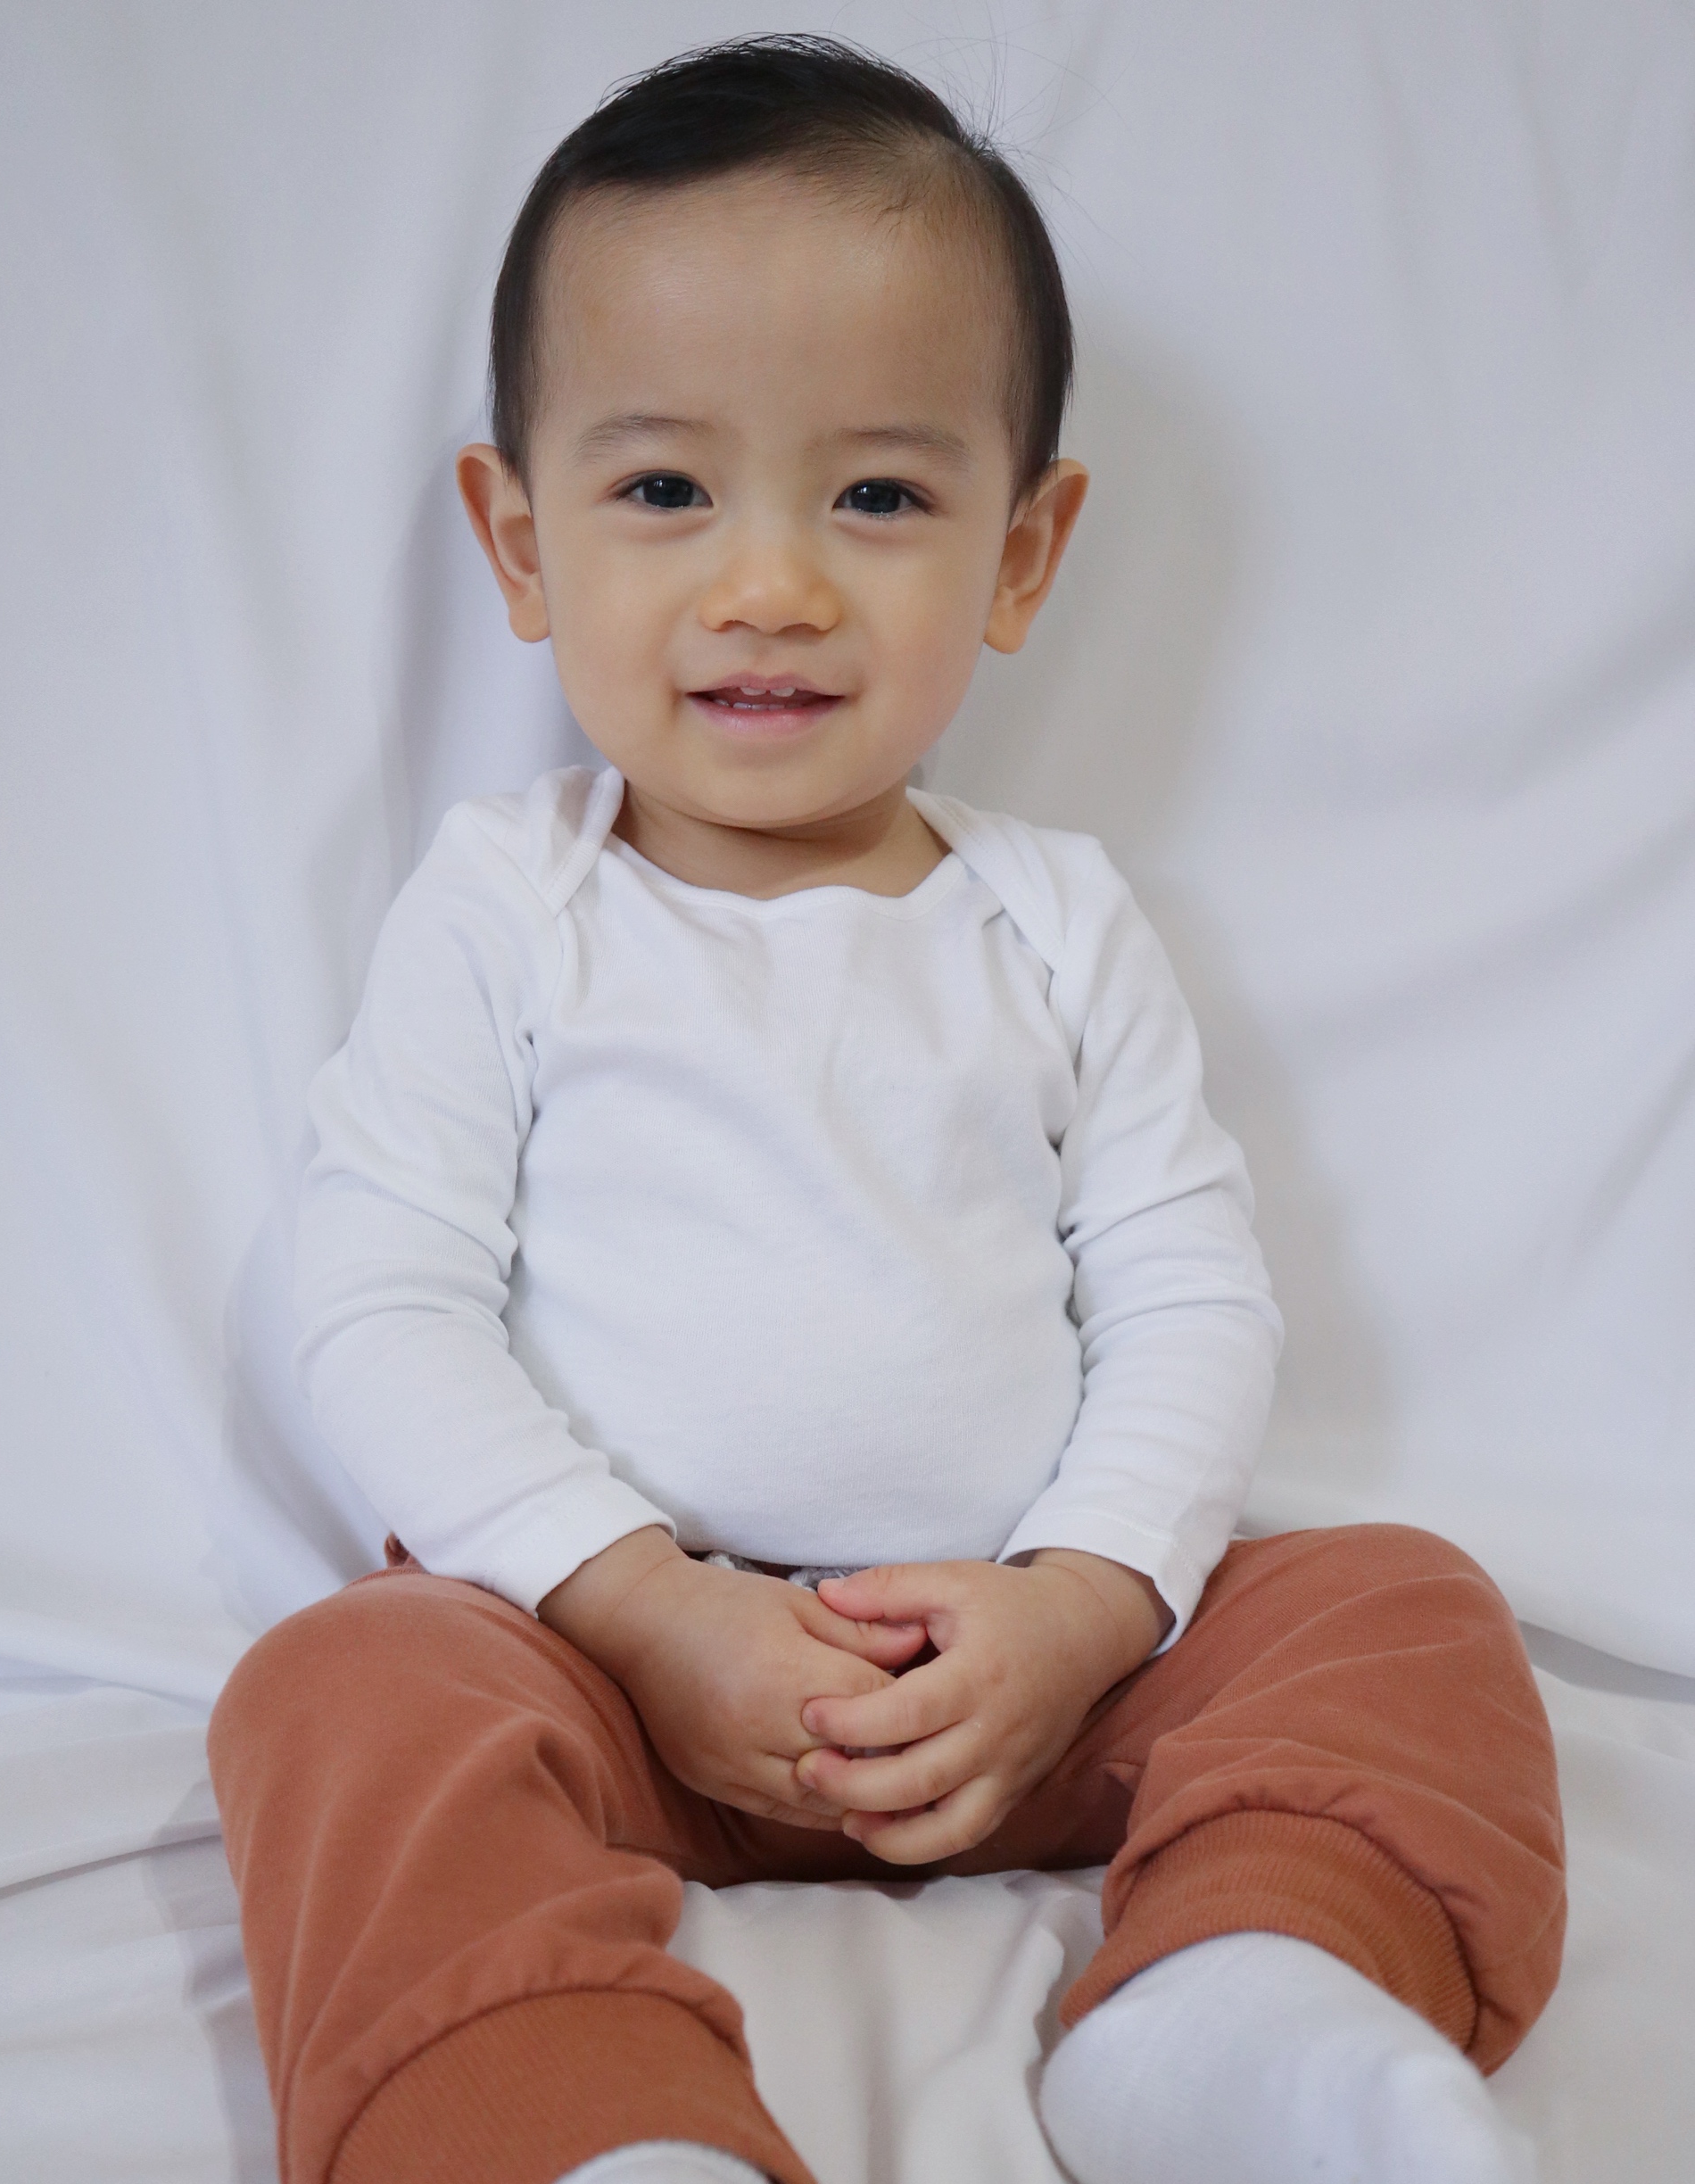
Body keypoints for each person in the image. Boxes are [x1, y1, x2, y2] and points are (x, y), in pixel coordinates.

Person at [208, 35, 1565, 2184]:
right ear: (518, 539)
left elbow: (1185, 1299)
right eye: (665, 491)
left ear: (1020, 554)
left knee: (1398, 1607)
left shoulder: (1056, 921)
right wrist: (647, 1609)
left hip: (1024, 1672)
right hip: (612, 1675)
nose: (770, 583)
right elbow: (380, 1302)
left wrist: (1082, 1607)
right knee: (346, 1691)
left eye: (876, 497)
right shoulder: (510, 904)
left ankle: (1243, 2007)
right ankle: (568, 2121)